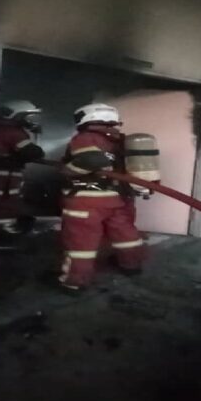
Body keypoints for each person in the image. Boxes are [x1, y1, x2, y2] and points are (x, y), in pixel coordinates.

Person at [57, 103, 146, 293]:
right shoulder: (119, 140)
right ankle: (131, 265)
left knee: (81, 243)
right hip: (117, 199)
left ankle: (74, 282)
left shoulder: (86, 137)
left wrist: (67, 170)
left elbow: (92, 160)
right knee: (125, 234)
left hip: (86, 201)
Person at [0, 100, 45, 250]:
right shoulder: (13, 132)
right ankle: (2, 239)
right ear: (15, 115)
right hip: (6, 177)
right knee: (6, 204)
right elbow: (32, 152)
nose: (31, 121)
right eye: (28, 117)